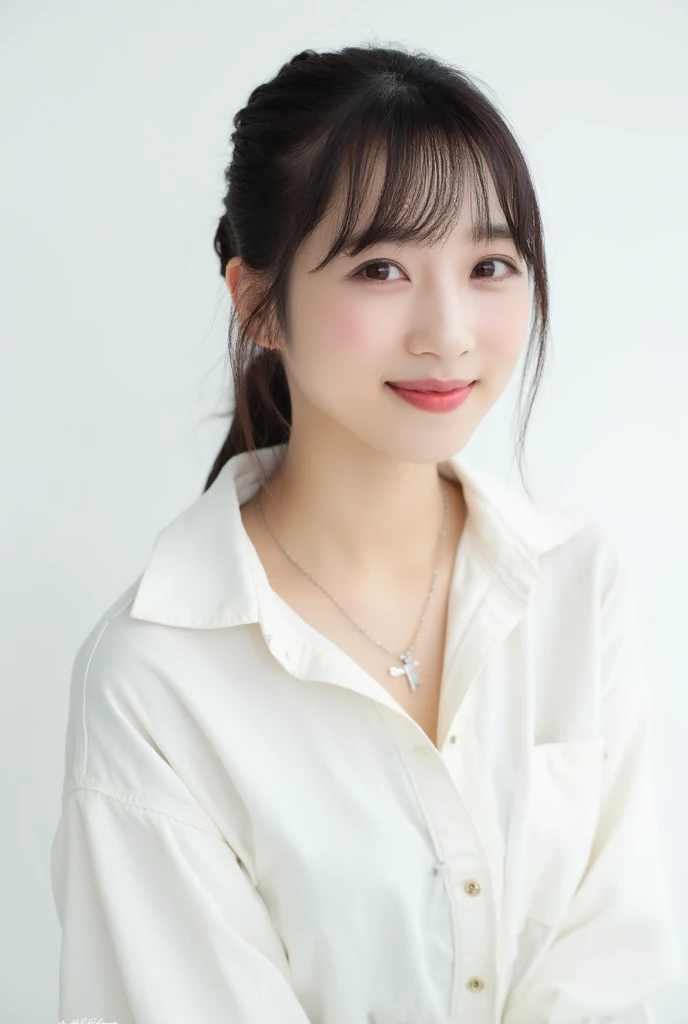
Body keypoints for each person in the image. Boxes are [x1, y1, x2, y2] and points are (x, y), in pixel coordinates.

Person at [50, 43, 683, 1024]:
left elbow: (618, 963)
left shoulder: (573, 580)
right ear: (258, 301)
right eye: (381, 266)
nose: (447, 329)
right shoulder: (154, 677)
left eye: (489, 264)